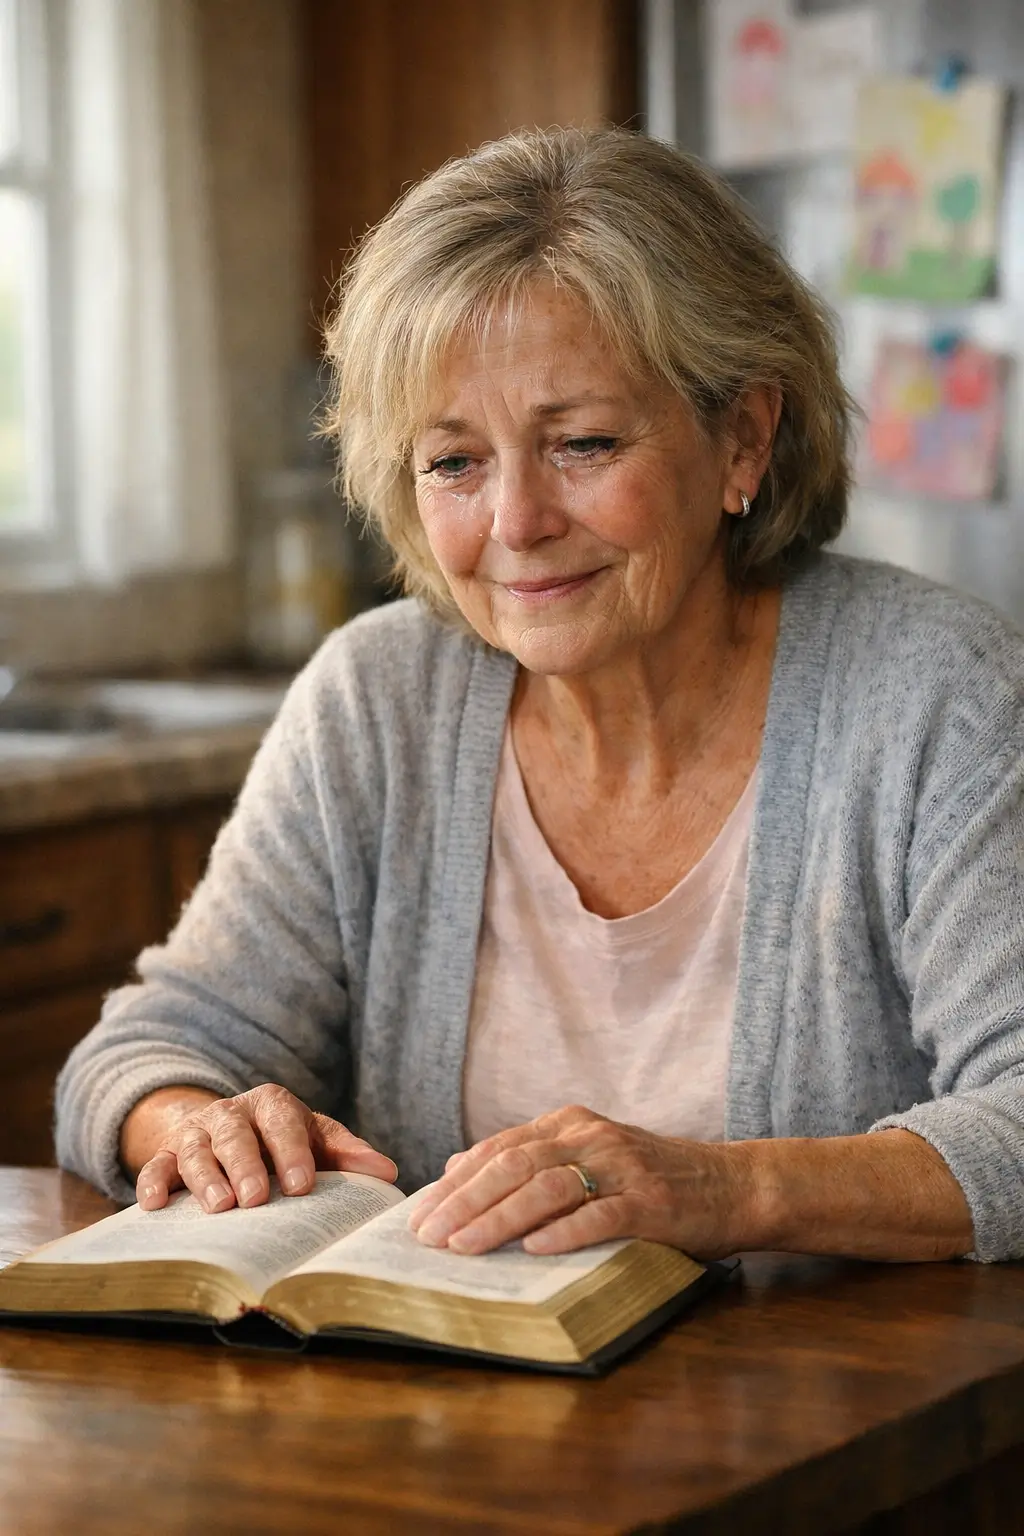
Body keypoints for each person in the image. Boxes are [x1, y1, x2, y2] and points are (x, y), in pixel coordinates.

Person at [56, 127, 1024, 1265]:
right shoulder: (376, 701)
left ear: (743, 441)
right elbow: (148, 1051)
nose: (516, 525)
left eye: (583, 443)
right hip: (443, 1427)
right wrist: (194, 1120)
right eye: (454, 462)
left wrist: (731, 1189)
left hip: (841, 1427)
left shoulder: (933, 694)